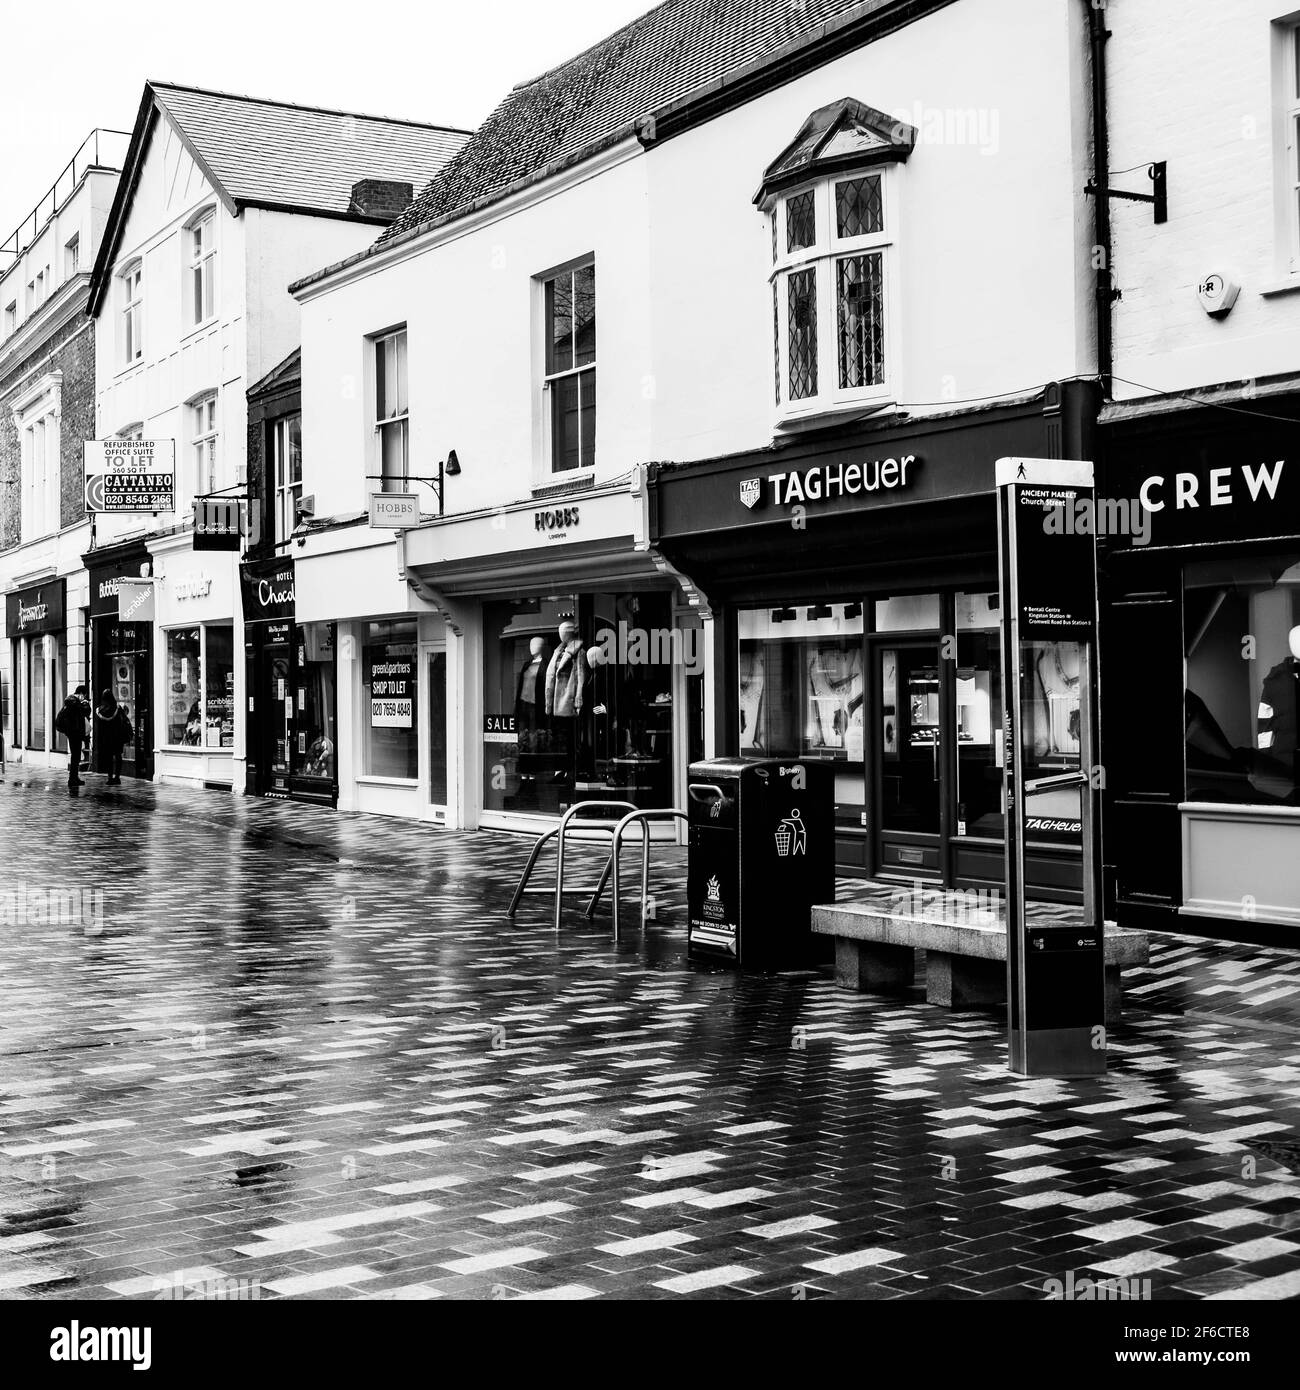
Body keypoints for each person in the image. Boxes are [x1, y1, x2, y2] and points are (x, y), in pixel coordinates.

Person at [55, 685, 92, 787]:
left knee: (74, 756)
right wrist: (85, 704)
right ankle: (73, 779)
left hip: (71, 733)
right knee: (76, 757)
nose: (84, 697)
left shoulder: (69, 702)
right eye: (84, 695)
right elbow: (86, 712)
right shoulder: (76, 703)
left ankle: (73, 778)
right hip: (76, 733)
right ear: (81, 693)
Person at [94, 689, 133, 785]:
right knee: (118, 756)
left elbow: (98, 726)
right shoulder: (118, 708)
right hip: (117, 737)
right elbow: (124, 722)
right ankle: (117, 777)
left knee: (108, 757)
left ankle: (110, 777)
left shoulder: (99, 710)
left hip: (106, 738)